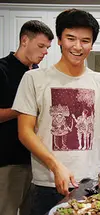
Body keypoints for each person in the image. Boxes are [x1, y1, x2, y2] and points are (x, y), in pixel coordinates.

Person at [12, 9, 100, 215]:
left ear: (92, 44)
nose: (77, 46)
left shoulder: (99, 80)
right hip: (47, 183)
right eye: (71, 38)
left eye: (85, 40)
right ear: (60, 41)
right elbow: (25, 132)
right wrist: (55, 166)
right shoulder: (34, 79)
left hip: (88, 183)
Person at [0, 20, 54, 215]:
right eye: (41, 46)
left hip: (36, 161)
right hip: (8, 162)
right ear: (24, 40)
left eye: (47, 48)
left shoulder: (38, 75)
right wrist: (24, 107)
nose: (45, 52)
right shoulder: (2, 69)